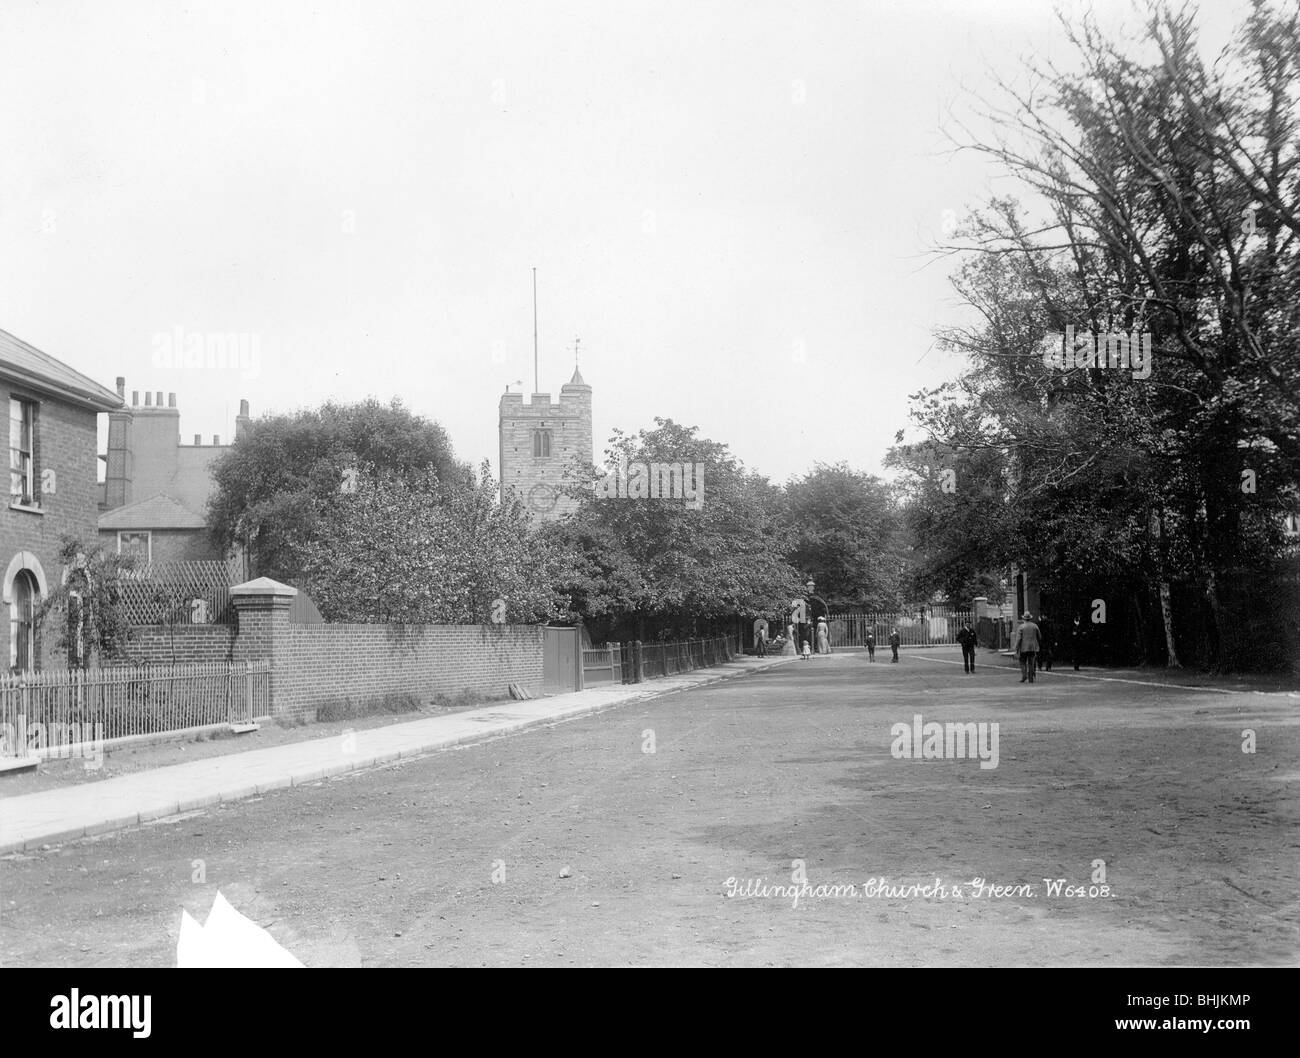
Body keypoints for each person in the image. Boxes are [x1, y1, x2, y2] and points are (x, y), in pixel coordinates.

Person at [1014, 612, 1041, 683]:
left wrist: (1016, 648)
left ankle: (1024, 675)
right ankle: (1031, 676)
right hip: (1033, 647)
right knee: (1031, 662)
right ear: (1030, 619)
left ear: (1024, 619)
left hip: (1023, 648)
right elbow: (1039, 636)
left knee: (1022, 661)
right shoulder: (1035, 626)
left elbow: (1018, 639)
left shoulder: (1021, 627)